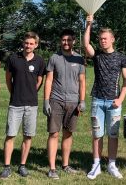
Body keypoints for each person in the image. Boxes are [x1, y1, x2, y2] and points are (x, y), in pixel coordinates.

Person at [84, 14, 126, 180]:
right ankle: (95, 164)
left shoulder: (121, 57)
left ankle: (111, 164)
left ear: (112, 39)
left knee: (113, 134)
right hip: (97, 99)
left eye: (105, 38)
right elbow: (86, 44)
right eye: (101, 39)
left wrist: (120, 99)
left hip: (114, 102)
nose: (102, 41)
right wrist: (88, 24)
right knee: (97, 134)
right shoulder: (96, 56)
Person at [0, 32, 45, 179]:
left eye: (31, 43)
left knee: (28, 136)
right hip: (15, 104)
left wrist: (31, 92)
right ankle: (6, 167)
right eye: (26, 43)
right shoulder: (13, 58)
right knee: (10, 135)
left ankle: (22, 165)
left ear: (36, 45)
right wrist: (15, 93)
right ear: (23, 43)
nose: (28, 46)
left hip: (31, 105)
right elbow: (8, 79)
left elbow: (39, 81)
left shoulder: (39, 61)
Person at [43, 29, 86, 180]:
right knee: (54, 133)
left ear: (74, 41)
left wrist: (82, 100)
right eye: (63, 40)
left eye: (69, 40)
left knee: (68, 133)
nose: (66, 43)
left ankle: (65, 165)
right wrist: (46, 101)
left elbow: (82, 81)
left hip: (73, 102)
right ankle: (52, 168)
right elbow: (48, 80)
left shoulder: (79, 59)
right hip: (56, 100)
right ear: (60, 41)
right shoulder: (54, 58)